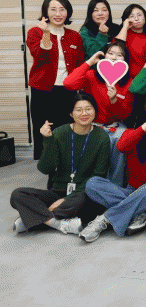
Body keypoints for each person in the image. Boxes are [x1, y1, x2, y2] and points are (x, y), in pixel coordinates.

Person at [78, 98, 146, 242]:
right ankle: (140, 211)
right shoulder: (132, 134)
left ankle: (104, 219)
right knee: (92, 183)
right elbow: (121, 147)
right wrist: (144, 127)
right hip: (131, 190)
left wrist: (143, 194)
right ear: (145, 116)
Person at [10, 93, 110, 235]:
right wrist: (48, 140)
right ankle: (57, 223)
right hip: (57, 191)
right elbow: (45, 168)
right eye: (78, 110)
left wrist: (65, 199)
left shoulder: (101, 137)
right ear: (71, 113)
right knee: (17, 194)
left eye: (88, 109)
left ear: (95, 111)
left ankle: (32, 217)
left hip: (82, 193)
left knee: (88, 203)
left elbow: (99, 175)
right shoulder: (60, 133)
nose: (84, 113)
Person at [63, 41, 134, 186]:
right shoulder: (91, 75)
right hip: (92, 125)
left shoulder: (128, 82)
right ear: (104, 55)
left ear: (125, 60)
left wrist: (114, 100)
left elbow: (125, 114)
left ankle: (114, 187)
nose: (114, 57)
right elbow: (69, 83)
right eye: (110, 53)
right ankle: (87, 186)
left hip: (115, 127)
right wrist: (89, 62)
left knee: (121, 140)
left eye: (119, 55)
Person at [27, 0, 85, 160]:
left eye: (62, 9)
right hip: (43, 90)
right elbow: (40, 57)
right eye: (53, 9)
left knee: (66, 127)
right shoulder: (35, 32)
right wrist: (46, 34)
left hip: (67, 90)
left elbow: (80, 64)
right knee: (45, 127)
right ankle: (47, 164)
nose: (58, 14)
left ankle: (66, 163)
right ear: (46, 12)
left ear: (68, 12)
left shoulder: (74, 36)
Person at [115, 3, 146, 78]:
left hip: (145, 78)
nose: (136, 19)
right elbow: (116, 48)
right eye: (132, 16)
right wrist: (125, 26)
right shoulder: (123, 35)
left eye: (139, 15)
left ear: (145, 17)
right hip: (125, 79)